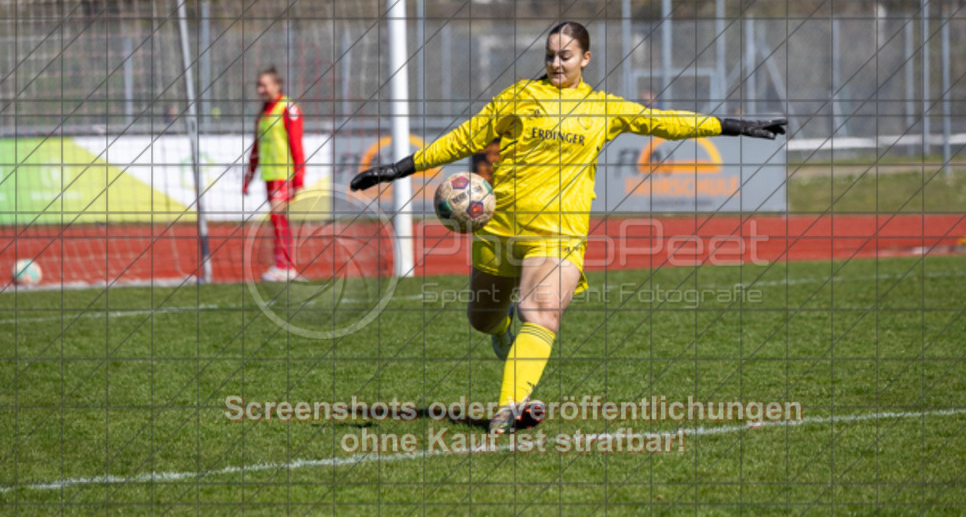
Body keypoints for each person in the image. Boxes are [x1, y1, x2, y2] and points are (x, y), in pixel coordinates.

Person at [350, 21, 785, 434]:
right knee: (482, 320)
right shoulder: (518, 97)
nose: (557, 64)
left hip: (560, 234)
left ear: (586, 58)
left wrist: (732, 126)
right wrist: (396, 169)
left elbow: (666, 122)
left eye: (566, 56)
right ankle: (500, 334)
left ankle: (507, 408)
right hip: (500, 231)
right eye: (550, 56)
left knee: (539, 312)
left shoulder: (604, 109)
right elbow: (464, 138)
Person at [243, 67, 306, 282]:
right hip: (270, 174)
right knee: (278, 218)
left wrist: (299, 177)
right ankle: (285, 266)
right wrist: (248, 177)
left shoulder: (287, 108)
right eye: (258, 85)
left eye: (264, 85)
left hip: (283, 172)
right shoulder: (264, 111)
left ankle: (284, 266)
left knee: (277, 217)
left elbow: (296, 144)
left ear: (276, 85)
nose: (260, 89)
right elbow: (256, 147)